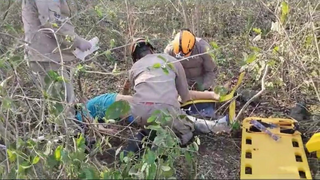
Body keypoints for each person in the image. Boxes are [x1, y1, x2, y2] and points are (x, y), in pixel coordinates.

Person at [22, 0, 92, 120]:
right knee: (62, 107)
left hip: (50, 55)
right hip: (47, 58)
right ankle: (71, 136)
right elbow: (51, 21)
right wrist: (76, 41)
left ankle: (73, 133)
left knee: (62, 104)